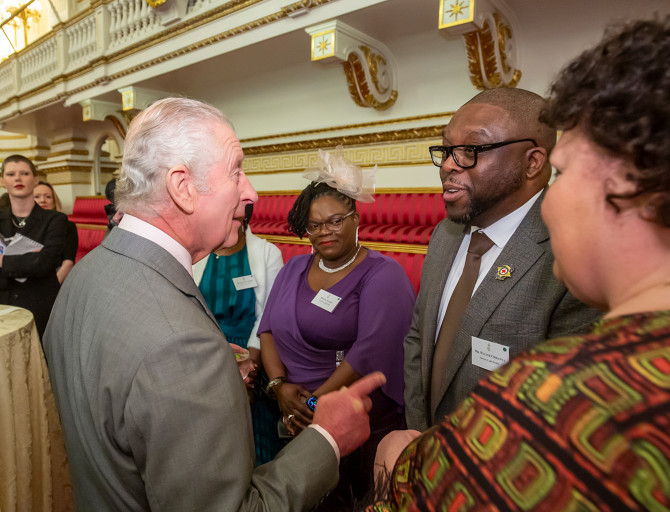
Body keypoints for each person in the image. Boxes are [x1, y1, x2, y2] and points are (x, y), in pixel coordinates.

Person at [369, 0, 670, 509]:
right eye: (446, 151)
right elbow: (421, 335)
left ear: (634, 188)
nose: (553, 203)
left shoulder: (569, 404)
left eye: (565, 172)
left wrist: (400, 460)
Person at [43, 97, 385, 512]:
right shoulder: (180, 347)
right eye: (236, 170)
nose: (250, 191)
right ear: (183, 187)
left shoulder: (87, 274)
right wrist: (327, 437)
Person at [404, 87, 600, 430]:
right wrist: (419, 438)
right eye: (448, 149)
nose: (449, 164)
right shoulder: (443, 235)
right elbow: (419, 339)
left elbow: (564, 409)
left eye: (471, 150)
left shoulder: (572, 255)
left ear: (532, 162)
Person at [258, 147, 415, 509]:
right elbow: (267, 329)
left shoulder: (382, 274)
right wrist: (279, 388)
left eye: (335, 221)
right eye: (314, 225)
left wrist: (313, 405)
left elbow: (369, 352)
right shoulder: (293, 268)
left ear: (356, 218)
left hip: (355, 421)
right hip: (291, 414)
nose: (324, 232)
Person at [192, 206, 286, 464]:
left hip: (254, 357)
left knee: (253, 449)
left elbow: (268, 315)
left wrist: (248, 367)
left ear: (245, 215)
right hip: (205, 358)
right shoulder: (195, 253)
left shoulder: (267, 253)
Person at [0, 155, 66, 337]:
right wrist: (28, 260)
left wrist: (3, 261)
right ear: (2, 181)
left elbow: (46, 262)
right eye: (11, 174)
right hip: (3, 304)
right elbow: (37, 262)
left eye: (24, 173)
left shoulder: (55, 220)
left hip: (39, 305)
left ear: (35, 180)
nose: (18, 178)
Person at [34, 180, 79, 283]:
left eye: (48, 197)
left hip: (55, 278)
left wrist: (50, 289)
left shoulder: (68, 226)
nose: (43, 200)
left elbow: (68, 263)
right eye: (37, 196)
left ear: (54, 202)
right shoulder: (23, 225)